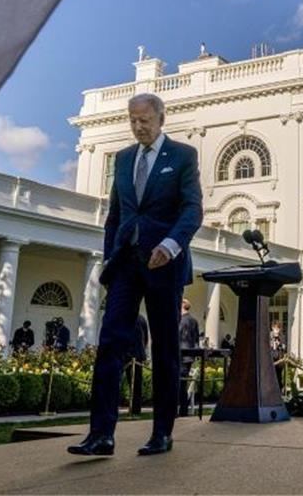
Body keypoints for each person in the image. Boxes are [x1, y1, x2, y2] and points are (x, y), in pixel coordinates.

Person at [68, 93, 203, 459]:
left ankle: (161, 433)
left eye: (144, 120)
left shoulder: (182, 156)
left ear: (161, 118)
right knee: (111, 343)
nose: (138, 126)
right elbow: (116, 215)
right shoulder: (124, 159)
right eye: (133, 120)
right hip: (126, 264)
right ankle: (100, 435)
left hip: (165, 264)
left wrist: (171, 245)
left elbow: (193, 210)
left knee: (164, 349)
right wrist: (111, 259)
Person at [177, 299, 201, 417]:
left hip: (181, 354)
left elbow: (178, 336)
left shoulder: (181, 320)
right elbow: (196, 339)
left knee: (179, 383)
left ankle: (181, 409)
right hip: (189, 356)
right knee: (183, 383)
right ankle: (183, 408)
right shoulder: (194, 321)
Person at [124, 313, 150, 415]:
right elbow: (146, 338)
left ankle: (134, 408)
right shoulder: (142, 319)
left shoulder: (124, 316)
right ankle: (136, 408)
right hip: (138, 354)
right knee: (137, 384)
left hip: (127, 353)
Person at [270, 321, 287, 389]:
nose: (277, 330)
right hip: (271, 358)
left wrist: (280, 345)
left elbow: (284, 347)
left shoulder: (282, 336)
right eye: (276, 328)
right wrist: (273, 345)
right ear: (272, 328)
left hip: (279, 359)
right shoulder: (269, 336)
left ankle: (279, 390)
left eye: (278, 328)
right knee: (271, 375)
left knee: (279, 376)